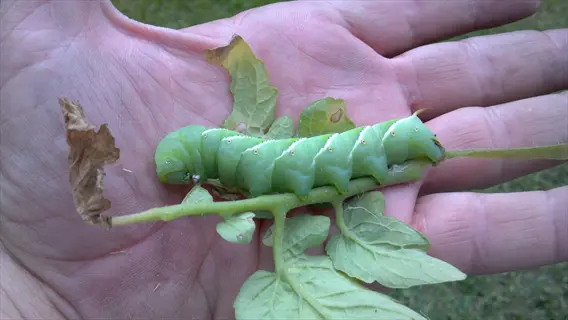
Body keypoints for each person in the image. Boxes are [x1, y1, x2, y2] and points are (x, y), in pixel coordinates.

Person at [1, 0, 566, 318]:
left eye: (184, 173)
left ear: (202, 163)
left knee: (324, 158)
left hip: (362, 149)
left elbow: (292, 167)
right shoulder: (230, 160)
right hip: (350, 153)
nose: (180, 182)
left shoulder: (239, 165)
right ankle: (408, 141)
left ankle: (408, 140)